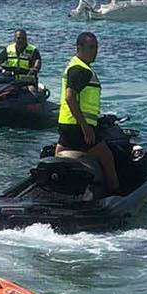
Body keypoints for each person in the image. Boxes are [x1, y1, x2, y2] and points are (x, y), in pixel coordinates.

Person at [56, 30, 120, 193]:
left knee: (59, 157)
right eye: (90, 47)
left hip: (66, 124)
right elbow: (70, 98)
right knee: (107, 158)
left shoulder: (73, 66)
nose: (95, 51)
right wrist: (86, 127)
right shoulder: (80, 70)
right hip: (78, 127)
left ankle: (57, 188)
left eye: (96, 47)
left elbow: (80, 100)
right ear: (79, 47)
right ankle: (115, 194)